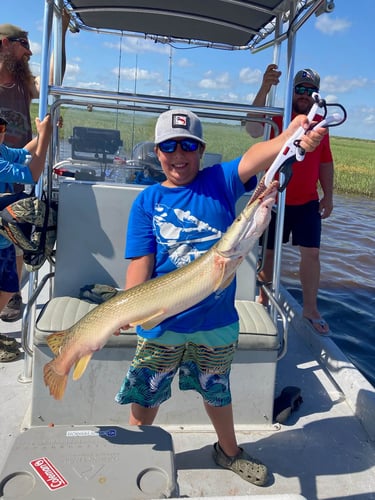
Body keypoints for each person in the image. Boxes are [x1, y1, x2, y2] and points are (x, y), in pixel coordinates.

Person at [115, 108, 327, 485]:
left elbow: (261, 155)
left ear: (201, 150)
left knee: (217, 392)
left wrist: (292, 134)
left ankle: (228, 450)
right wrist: (126, 308)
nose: (179, 154)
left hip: (215, 323)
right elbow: (140, 267)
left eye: (188, 146)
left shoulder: (219, 180)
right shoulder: (147, 201)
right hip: (163, 323)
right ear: (157, 151)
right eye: (169, 146)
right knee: (146, 395)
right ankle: (135, 449)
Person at [246, 65, 334, 335]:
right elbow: (251, 128)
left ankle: (310, 309)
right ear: (292, 91)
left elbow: (325, 162)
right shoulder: (278, 117)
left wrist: (328, 196)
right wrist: (265, 87)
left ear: (316, 95)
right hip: (275, 197)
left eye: (311, 91)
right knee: (269, 253)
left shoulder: (320, 123)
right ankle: (262, 298)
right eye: (300, 89)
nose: (305, 95)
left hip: (307, 201)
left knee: (312, 254)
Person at [0, 16, 69, 322]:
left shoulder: (22, 84)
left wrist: (62, 31)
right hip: (13, 170)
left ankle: (10, 295)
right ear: (4, 44)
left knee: (16, 240)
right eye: (23, 47)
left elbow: (53, 78)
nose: (29, 54)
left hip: (16, 167)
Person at [0, 114, 52, 362]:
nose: (0, 132)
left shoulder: (2, 151)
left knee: (9, 287)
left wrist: (41, 133)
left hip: (4, 239)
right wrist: (47, 137)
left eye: (1, 127)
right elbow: (32, 173)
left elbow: (22, 153)